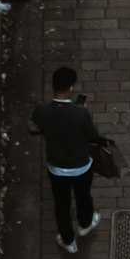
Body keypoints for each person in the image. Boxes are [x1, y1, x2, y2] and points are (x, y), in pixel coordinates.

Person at [35, 62, 104, 248]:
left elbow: (32, 127)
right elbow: (92, 136)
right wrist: (87, 113)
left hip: (57, 167)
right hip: (81, 166)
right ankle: (85, 223)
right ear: (71, 88)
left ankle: (68, 240)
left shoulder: (41, 110)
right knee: (83, 196)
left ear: (53, 86)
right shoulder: (80, 113)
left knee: (61, 204)